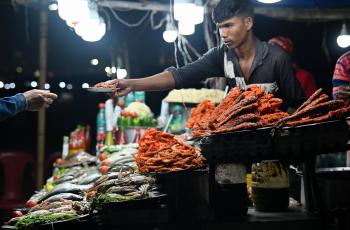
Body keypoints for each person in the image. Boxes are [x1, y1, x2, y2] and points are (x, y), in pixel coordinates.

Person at [106, 0, 305, 110]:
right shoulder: (221, 56)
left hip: (277, 151)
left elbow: (298, 106)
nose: (223, 34)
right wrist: (131, 84)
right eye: (220, 27)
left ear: (248, 23)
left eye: (228, 25)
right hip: (241, 145)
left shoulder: (277, 57)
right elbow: (178, 76)